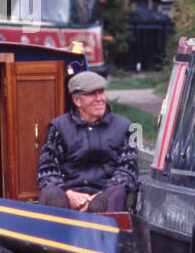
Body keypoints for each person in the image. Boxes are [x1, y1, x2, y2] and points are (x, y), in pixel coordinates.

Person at [36, 71, 138, 212]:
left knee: (117, 192)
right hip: (67, 195)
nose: (99, 99)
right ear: (77, 100)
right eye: (92, 94)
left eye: (101, 92)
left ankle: (105, 230)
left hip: (105, 194)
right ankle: (51, 232)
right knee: (50, 192)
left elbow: (128, 171)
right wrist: (68, 194)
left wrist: (98, 198)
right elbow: (47, 170)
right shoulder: (57, 127)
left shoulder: (128, 127)